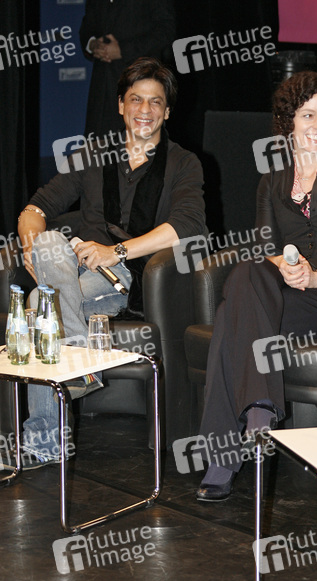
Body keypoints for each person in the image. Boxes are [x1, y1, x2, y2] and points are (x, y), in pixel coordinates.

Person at [196, 70, 317, 501]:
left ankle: (225, 456)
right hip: (283, 293)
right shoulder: (272, 180)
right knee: (247, 272)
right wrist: (282, 264)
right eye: (308, 115)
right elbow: (266, 249)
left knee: (229, 318)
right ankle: (259, 411)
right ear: (288, 121)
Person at [16, 57, 206, 467]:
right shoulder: (93, 154)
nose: (145, 110)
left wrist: (114, 252)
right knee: (47, 241)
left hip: (128, 275)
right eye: (136, 99)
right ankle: (80, 365)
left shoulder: (183, 163)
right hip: (74, 271)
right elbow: (36, 208)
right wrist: (32, 251)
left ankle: (44, 444)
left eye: (155, 102)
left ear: (167, 112)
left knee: (37, 305)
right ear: (121, 105)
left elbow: (188, 227)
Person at [79, 0, 176, 137]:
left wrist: (123, 50)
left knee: (140, 145)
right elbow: (87, 27)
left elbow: (166, 30)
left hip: (140, 82)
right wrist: (92, 44)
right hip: (102, 91)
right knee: (97, 145)